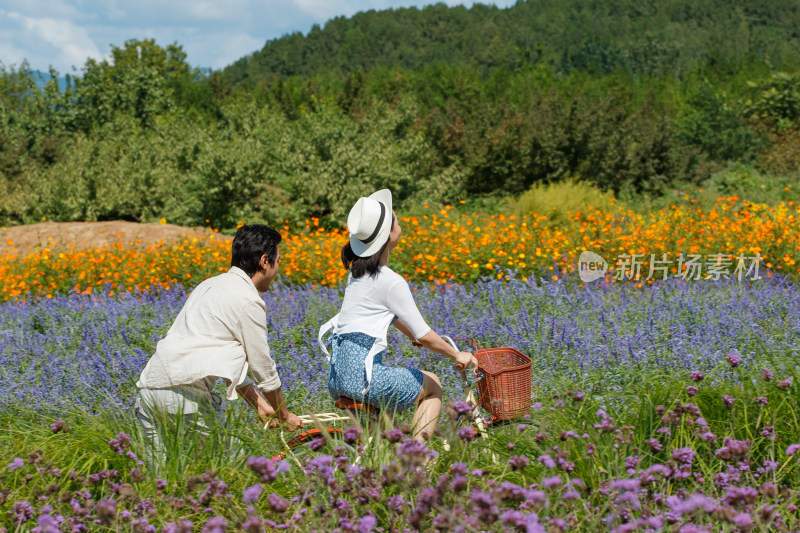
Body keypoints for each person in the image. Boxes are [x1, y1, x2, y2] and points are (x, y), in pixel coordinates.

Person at [319, 189, 478, 441]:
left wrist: (411, 335)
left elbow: (391, 317)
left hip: (338, 377)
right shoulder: (391, 281)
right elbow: (424, 335)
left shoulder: (357, 275)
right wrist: (457, 353)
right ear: (389, 235)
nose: (400, 222)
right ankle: (418, 463)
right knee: (433, 384)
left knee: (385, 440)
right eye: (396, 219)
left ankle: (390, 468)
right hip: (364, 379)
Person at [135, 224, 304, 461]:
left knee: (160, 484)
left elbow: (213, 353)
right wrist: (284, 414)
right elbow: (262, 368)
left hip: (149, 391)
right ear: (265, 261)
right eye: (278, 262)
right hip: (185, 397)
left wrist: (258, 404)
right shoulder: (248, 300)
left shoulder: (208, 285)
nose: (277, 271)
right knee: (232, 468)